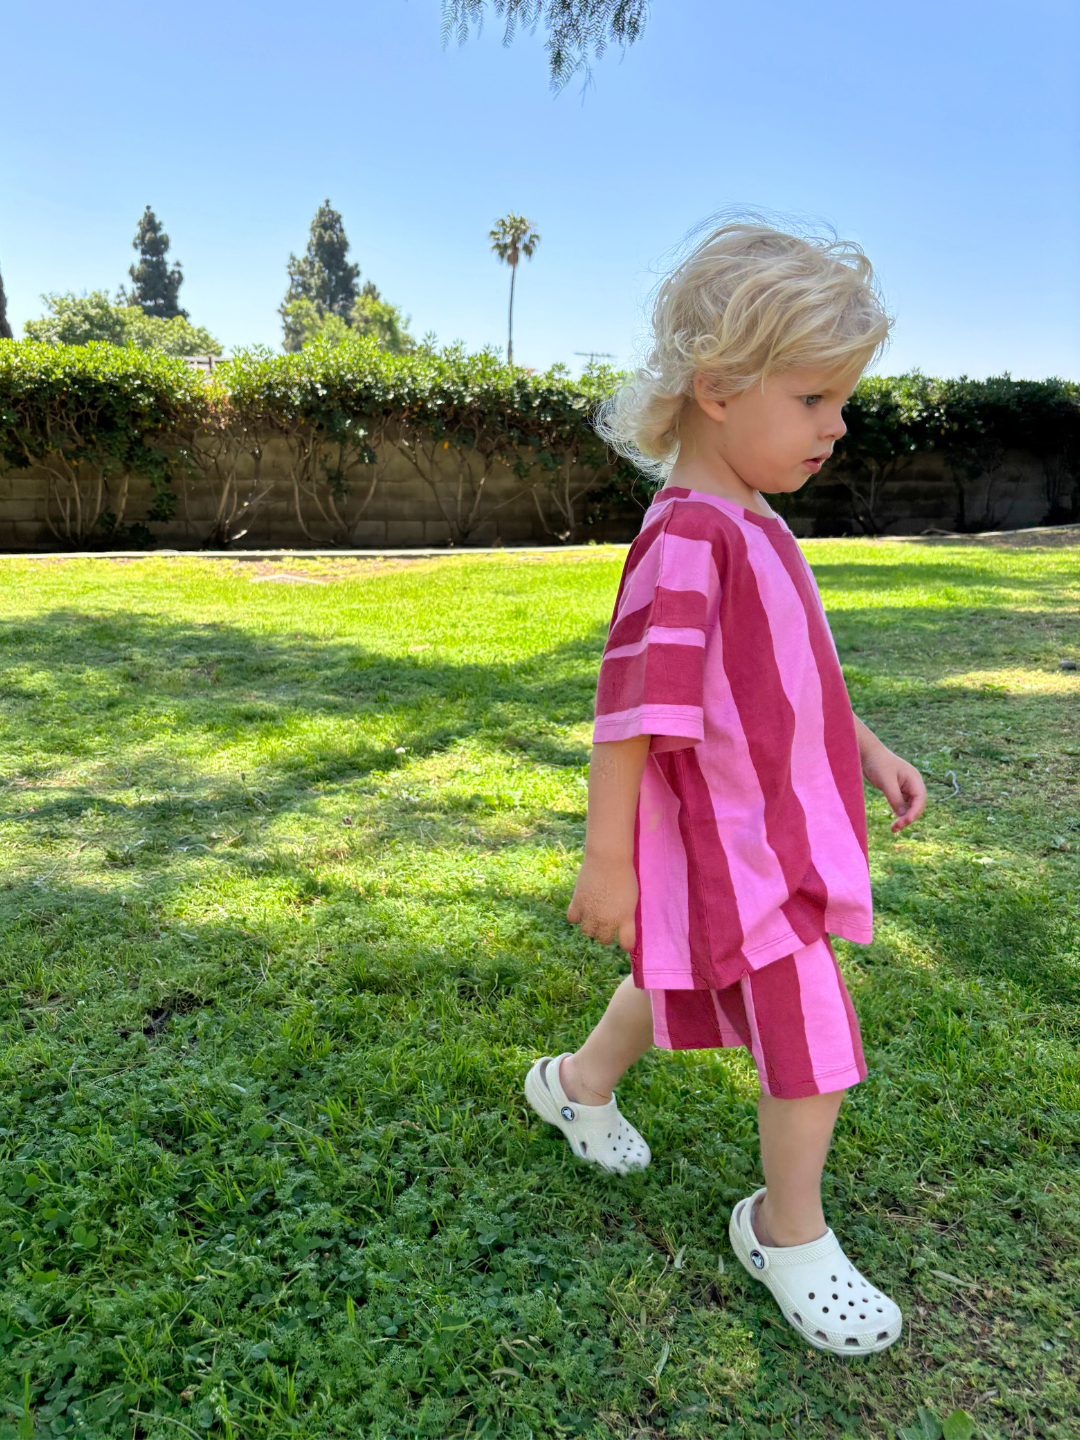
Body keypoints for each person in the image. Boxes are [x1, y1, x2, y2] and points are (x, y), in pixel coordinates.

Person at [524, 220, 927, 1356]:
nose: (836, 425)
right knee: (810, 1026)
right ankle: (784, 1228)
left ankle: (575, 1083)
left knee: (687, 972)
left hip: (775, 833)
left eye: (840, 400)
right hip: (731, 844)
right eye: (813, 400)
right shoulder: (688, 538)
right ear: (715, 389)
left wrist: (868, 748)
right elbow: (632, 711)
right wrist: (609, 859)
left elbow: (786, 676)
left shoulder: (753, 523)